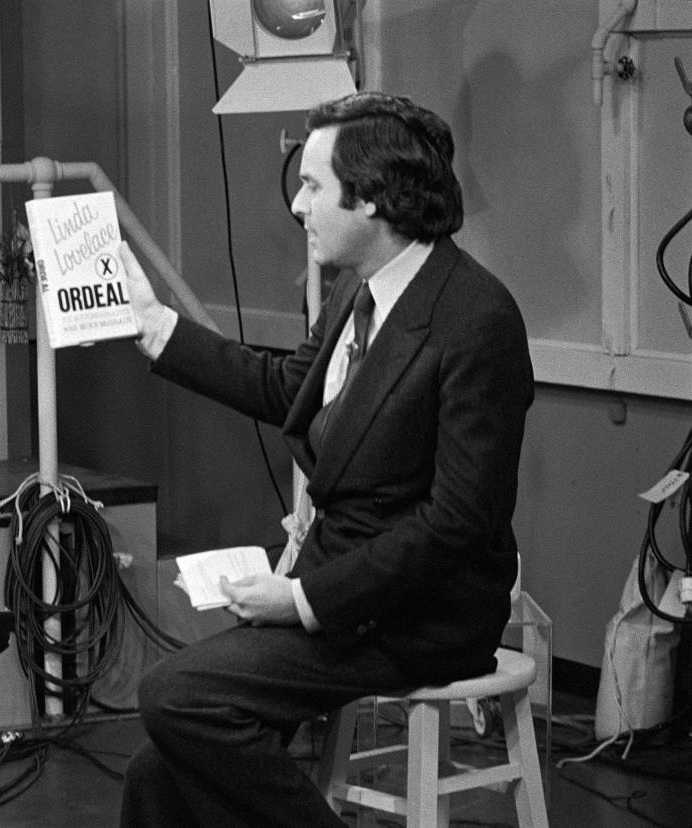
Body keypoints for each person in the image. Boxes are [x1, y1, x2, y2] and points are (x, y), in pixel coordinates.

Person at [116, 91, 534, 827]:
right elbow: (291, 389)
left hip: (418, 614)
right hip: (341, 586)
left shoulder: (477, 321)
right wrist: (160, 330)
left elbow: (457, 524)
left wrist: (305, 601)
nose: (298, 206)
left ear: (372, 197)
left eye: (312, 186)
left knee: (174, 696)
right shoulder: (356, 289)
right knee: (162, 765)